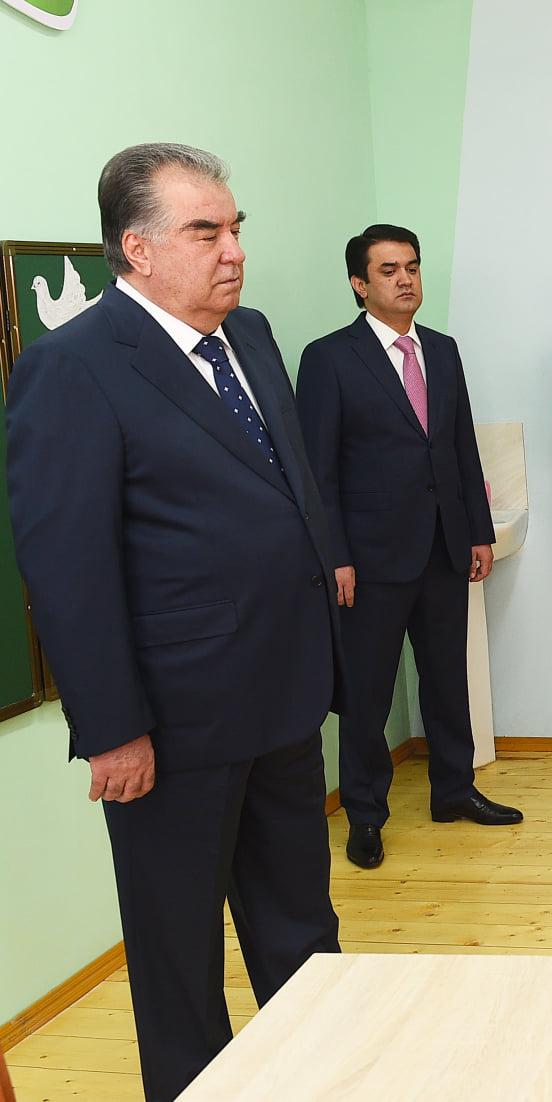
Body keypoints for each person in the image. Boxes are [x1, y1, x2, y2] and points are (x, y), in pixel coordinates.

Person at [6, 143, 343, 1100]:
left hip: (283, 695)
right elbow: (66, 567)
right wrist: (112, 727)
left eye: (236, 228)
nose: (234, 250)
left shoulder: (252, 335)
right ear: (138, 248)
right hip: (172, 725)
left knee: (303, 932)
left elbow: (289, 489)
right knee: (180, 956)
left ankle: (323, 1079)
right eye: (207, 232)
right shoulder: (72, 367)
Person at [296, 224, 520, 871]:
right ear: (359, 284)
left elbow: (459, 448)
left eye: (413, 267)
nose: (405, 280)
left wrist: (477, 531)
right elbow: (318, 470)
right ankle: (365, 815)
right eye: (389, 270)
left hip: (444, 549)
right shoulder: (330, 358)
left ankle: (454, 789)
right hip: (369, 561)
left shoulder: (442, 351)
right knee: (367, 696)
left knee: (448, 681)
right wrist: (334, 556)